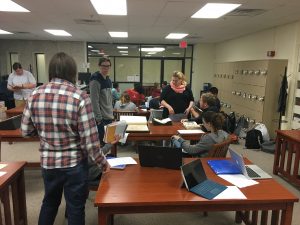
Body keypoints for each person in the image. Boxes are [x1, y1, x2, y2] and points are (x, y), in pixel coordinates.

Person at [21, 52, 118, 225]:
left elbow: (26, 131)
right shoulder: (80, 97)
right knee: (75, 208)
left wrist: (46, 133)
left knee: (49, 203)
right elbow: (90, 142)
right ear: (73, 73)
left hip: (48, 163)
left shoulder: (34, 94)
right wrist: (103, 164)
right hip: (74, 164)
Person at [89, 58, 114, 145]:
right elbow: (94, 101)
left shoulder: (108, 80)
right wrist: (99, 119)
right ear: (99, 66)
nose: (106, 68)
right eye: (103, 66)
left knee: (108, 143)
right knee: (102, 145)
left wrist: (112, 114)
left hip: (109, 117)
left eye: (108, 66)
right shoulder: (95, 80)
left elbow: (109, 100)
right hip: (101, 119)